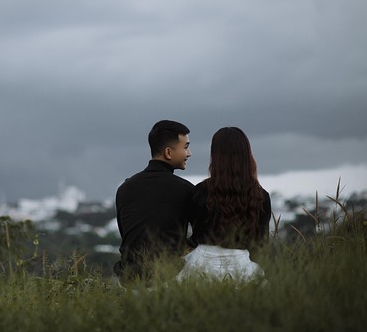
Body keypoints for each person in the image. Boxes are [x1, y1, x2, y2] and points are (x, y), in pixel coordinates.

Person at [176, 127, 272, 284]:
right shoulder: (261, 197)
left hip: (201, 264)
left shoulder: (199, 192)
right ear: (246, 154)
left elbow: (195, 235)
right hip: (242, 267)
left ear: (215, 156)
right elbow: (261, 246)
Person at [113, 120, 194, 281]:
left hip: (129, 279)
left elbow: (128, 236)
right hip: (168, 277)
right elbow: (201, 237)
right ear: (168, 153)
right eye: (185, 147)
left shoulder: (125, 188)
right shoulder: (186, 190)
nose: (189, 153)